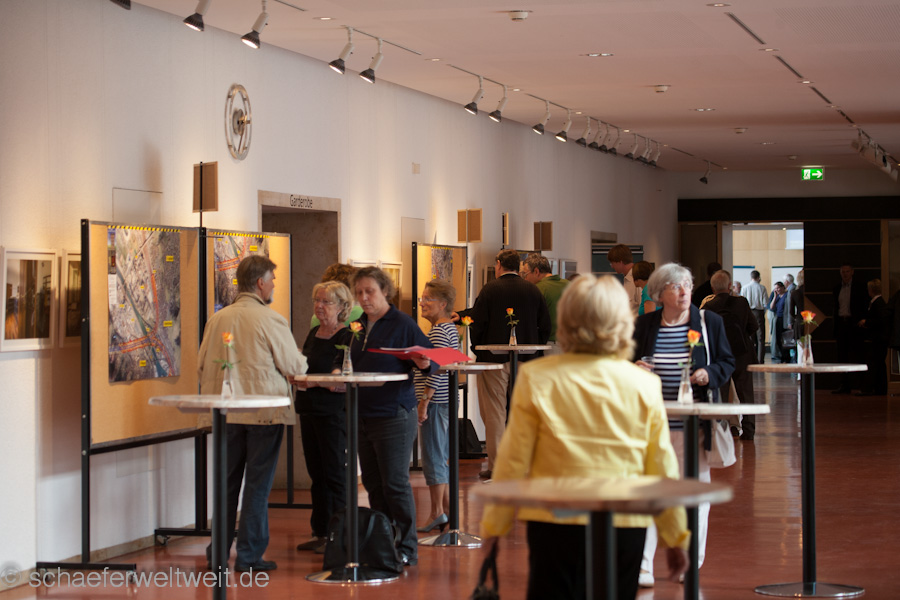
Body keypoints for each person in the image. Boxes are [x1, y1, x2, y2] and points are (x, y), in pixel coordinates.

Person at [480, 275, 689, 600]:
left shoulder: (537, 377)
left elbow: (512, 460)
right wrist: (675, 536)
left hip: (554, 520)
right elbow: (662, 466)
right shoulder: (644, 384)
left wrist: (495, 526)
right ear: (622, 323)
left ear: (566, 321)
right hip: (624, 520)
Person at [197, 255, 308, 572]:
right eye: (272, 280)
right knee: (258, 486)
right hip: (263, 411)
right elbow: (294, 366)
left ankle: (217, 554)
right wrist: (300, 361)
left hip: (225, 414)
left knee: (226, 485)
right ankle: (249, 556)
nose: (274, 285)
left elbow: (202, 365)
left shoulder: (217, 319)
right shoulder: (270, 319)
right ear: (260, 283)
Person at [633, 263, 734, 588]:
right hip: (653, 426)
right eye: (675, 286)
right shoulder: (645, 325)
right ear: (659, 293)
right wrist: (635, 367)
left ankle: (692, 562)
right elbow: (624, 364)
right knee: (649, 494)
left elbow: (726, 361)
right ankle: (643, 566)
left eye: (687, 285)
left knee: (695, 494)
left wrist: (709, 373)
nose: (683, 292)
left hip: (694, 426)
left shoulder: (708, 322)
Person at [348, 267, 436, 566]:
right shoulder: (357, 325)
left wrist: (424, 363)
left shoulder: (402, 323)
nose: (364, 298)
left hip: (393, 413)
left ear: (385, 291)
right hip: (362, 413)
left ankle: (407, 546)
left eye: (370, 291)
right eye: (359, 292)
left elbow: (431, 360)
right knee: (373, 484)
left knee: (395, 484)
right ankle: (383, 541)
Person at [467, 249, 551, 480]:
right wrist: (535, 347)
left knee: (494, 411)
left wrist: (478, 349)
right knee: (524, 410)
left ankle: (498, 466)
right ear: (519, 267)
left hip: (493, 360)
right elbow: (545, 324)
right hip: (527, 359)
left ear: (499, 265)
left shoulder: (490, 289)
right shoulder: (532, 290)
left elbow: (477, 323)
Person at [294, 280, 353, 553]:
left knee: (334, 474)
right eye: (317, 301)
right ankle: (320, 532)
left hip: (332, 412)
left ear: (341, 306)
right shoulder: (314, 332)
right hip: (308, 409)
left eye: (326, 302)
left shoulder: (346, 336)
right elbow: (306, 366)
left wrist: (312, 381)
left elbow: (339, 380)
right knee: (316, 475)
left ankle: (340, 535)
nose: (319, 306)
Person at [414, 279, 459, 532]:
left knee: (433, 457)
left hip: (436, 402)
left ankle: (436, 512)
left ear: (443, 304)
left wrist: (424, 401)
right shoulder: (448, 329)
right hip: (443, 401)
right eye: (422, 298)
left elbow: (438, 368)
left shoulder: (440, 331)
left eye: (428, 299)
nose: (422, 303)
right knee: (439, 456)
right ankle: (447, 510)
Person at [704, 270, 759, 441]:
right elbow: (754, 326)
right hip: (742, 354)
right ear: (729, 286)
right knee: (746, 394)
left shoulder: (708, 307)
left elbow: (703, 333)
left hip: (720, 356)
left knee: (721, 395)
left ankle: (722, 429)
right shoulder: (741, 303)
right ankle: (748, 430)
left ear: (712, 288)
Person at [521, 252, 569, 355]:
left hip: (550, 345)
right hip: (572, 345)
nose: (525, 279)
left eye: (525, 274)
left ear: (536, 271)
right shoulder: (570, 285)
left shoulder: (537, 289)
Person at [832, 263, 869, 393]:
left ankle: (861, 385)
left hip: (855, 325)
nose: (845, 274)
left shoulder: (860, 287)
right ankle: (844, 385)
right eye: (843, 272)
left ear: (852, 272)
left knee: (858, 355)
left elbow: (864, 305)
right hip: (841, 324)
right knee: (842, 356)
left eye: (847, 271)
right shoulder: (837, 288)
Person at [857, 279, 888, 396]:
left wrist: (867, 322)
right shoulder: (879, 302)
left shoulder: (877, 303)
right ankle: (880, 389)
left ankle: (871, 388)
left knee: (875, 363)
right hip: (880, 338)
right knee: (879, 363)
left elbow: (880, 320)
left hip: (878, 339)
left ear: (871, 290)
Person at [741, 270, 768, 364]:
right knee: (760, 338)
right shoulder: (762, 288)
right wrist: (762, 313)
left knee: (750, 337)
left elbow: (742, 302)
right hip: (759, 312)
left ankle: (751, 359)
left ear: (751, 277)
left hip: (748, 312)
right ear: (758, 277)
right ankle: (760, 360)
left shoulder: (745, 287)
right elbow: (765, 303)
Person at [607, 244, 641, 314]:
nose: (612, 266)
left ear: (620, 262)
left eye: (612, 263)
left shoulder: (637, 277)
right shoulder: (627, 278)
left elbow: (644, 308)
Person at [769, 282, 789, 364]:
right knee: (778, 339)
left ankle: (786, 357)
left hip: (784, 318)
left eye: (778, 288)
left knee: (785, 338)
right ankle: (781, 356)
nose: (777, 290)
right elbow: (771, 307)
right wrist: (775, 296)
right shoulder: (777, 297)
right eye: (775, 288)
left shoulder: (786, 295)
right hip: (778, 318)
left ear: (782, 287)